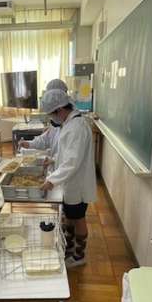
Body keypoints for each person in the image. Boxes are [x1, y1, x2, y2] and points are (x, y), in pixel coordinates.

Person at [40, 88, 97, 268]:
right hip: (72, 182)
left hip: (77, 185)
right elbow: (68, 154)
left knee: (78, 218)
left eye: (52, 114)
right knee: (70, 216)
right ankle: (69, 249)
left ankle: (79, 256)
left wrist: (52, 180)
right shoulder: (71, 123)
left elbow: (72, 161)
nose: (52, 118)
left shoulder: (76, 127)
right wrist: (54, 159)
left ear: (59, 110)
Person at [20, 79, 69, 157]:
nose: (51, 118)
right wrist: (29, 144)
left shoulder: (74, 127)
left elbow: (69, 159)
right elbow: (46, 139)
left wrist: (53, 160)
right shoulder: (59, 122)